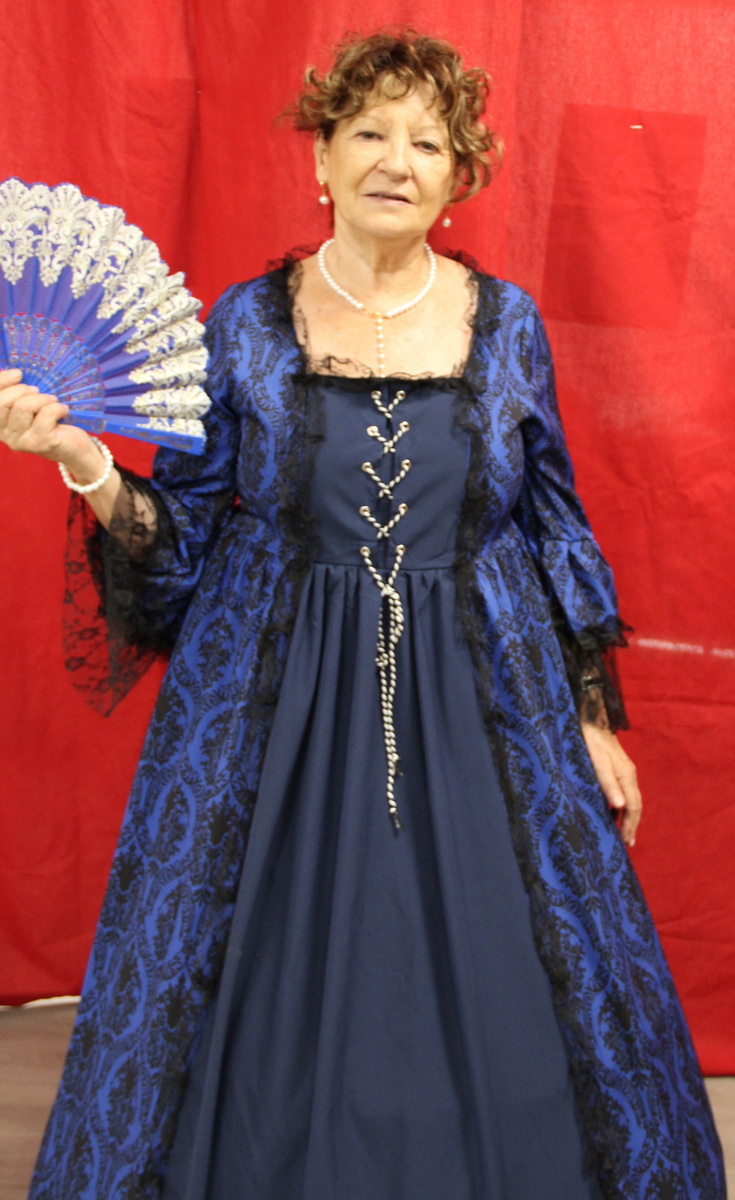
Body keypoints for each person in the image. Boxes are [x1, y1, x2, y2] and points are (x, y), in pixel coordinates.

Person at [0, 30, 725, 1200]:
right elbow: (179, 540)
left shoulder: (508, 324)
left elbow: (551, 523)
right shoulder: (245, 324)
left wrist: (592, 716)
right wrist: (84, 461)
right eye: (371, 133)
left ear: (458, 175)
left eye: (428, 143)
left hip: (486, 698)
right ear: (322, 158)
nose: (397, 160)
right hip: (270, 706)